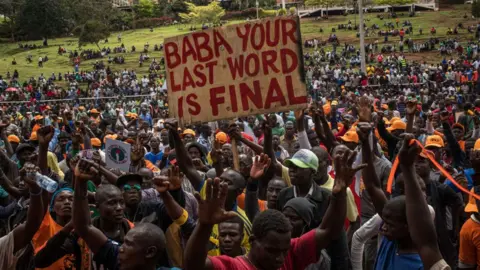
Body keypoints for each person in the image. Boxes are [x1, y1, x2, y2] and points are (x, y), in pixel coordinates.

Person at [183, 146, 365, 270]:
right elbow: (192, 266)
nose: (279, 258)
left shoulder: (290, 253)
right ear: (253, 241)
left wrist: (339, 192)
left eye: (283, 251)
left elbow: (329, 230)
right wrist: (204, 225)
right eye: (271, 251)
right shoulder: (235, 266)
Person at [72, 158, 188, 270]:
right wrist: (80, 182)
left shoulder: (154, 208)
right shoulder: (118, 258)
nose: (121, 248)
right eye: (127, 187)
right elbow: (84, 227)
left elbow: (178, 214)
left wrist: (174, 192)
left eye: (137, 187)